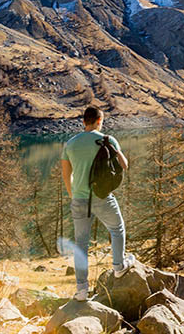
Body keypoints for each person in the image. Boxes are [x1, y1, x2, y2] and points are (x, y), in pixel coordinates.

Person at [61, 106, 135, 301]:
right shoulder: (107, 140)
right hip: (102, 197)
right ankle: (119, 267)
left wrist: (73, 194)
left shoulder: (70, 144)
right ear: (99, 121)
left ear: (84, 121)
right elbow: (124, 165)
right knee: (117, 229)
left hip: (79, 199)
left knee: (81, 244)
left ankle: (81, 290)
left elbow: (66, 174)